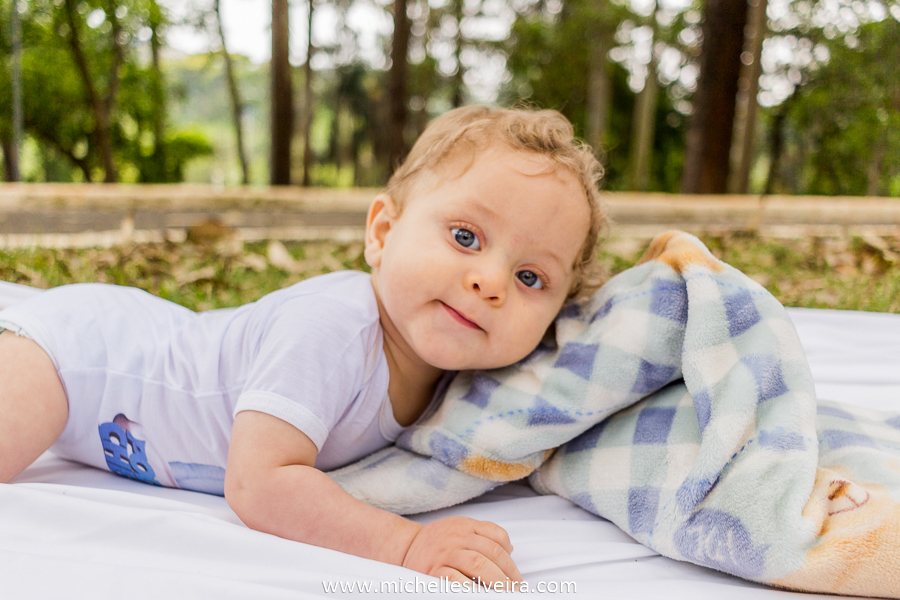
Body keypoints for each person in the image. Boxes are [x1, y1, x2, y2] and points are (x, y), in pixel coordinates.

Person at [0, 105, 606, 586]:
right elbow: (260, 482)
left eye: (532, 278)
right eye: (465, 236)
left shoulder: (472, 391)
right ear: (383, 233)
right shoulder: (332, 325)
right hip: (82, 357)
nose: (492, 281)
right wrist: (406, 544)